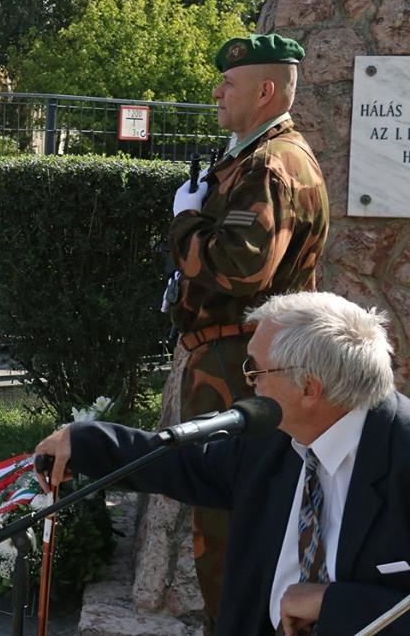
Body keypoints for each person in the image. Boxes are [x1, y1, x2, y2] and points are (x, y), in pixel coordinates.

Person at [36, 291, 410, 635]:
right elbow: (184, 464)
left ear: (310, 388)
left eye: (256, 369)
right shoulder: (275, 436)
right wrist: (84, 442)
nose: (249, 382)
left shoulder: (400, 452)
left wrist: (335, 606)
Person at [163, 33, 331, 617]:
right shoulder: (254, 158)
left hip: (242, 368)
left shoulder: (270, 165)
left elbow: (240, 269)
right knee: (231, 521)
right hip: (236, 362)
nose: (216, 90)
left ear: (264, 91)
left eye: (228, 83)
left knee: (230, 529)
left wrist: (185, 224)